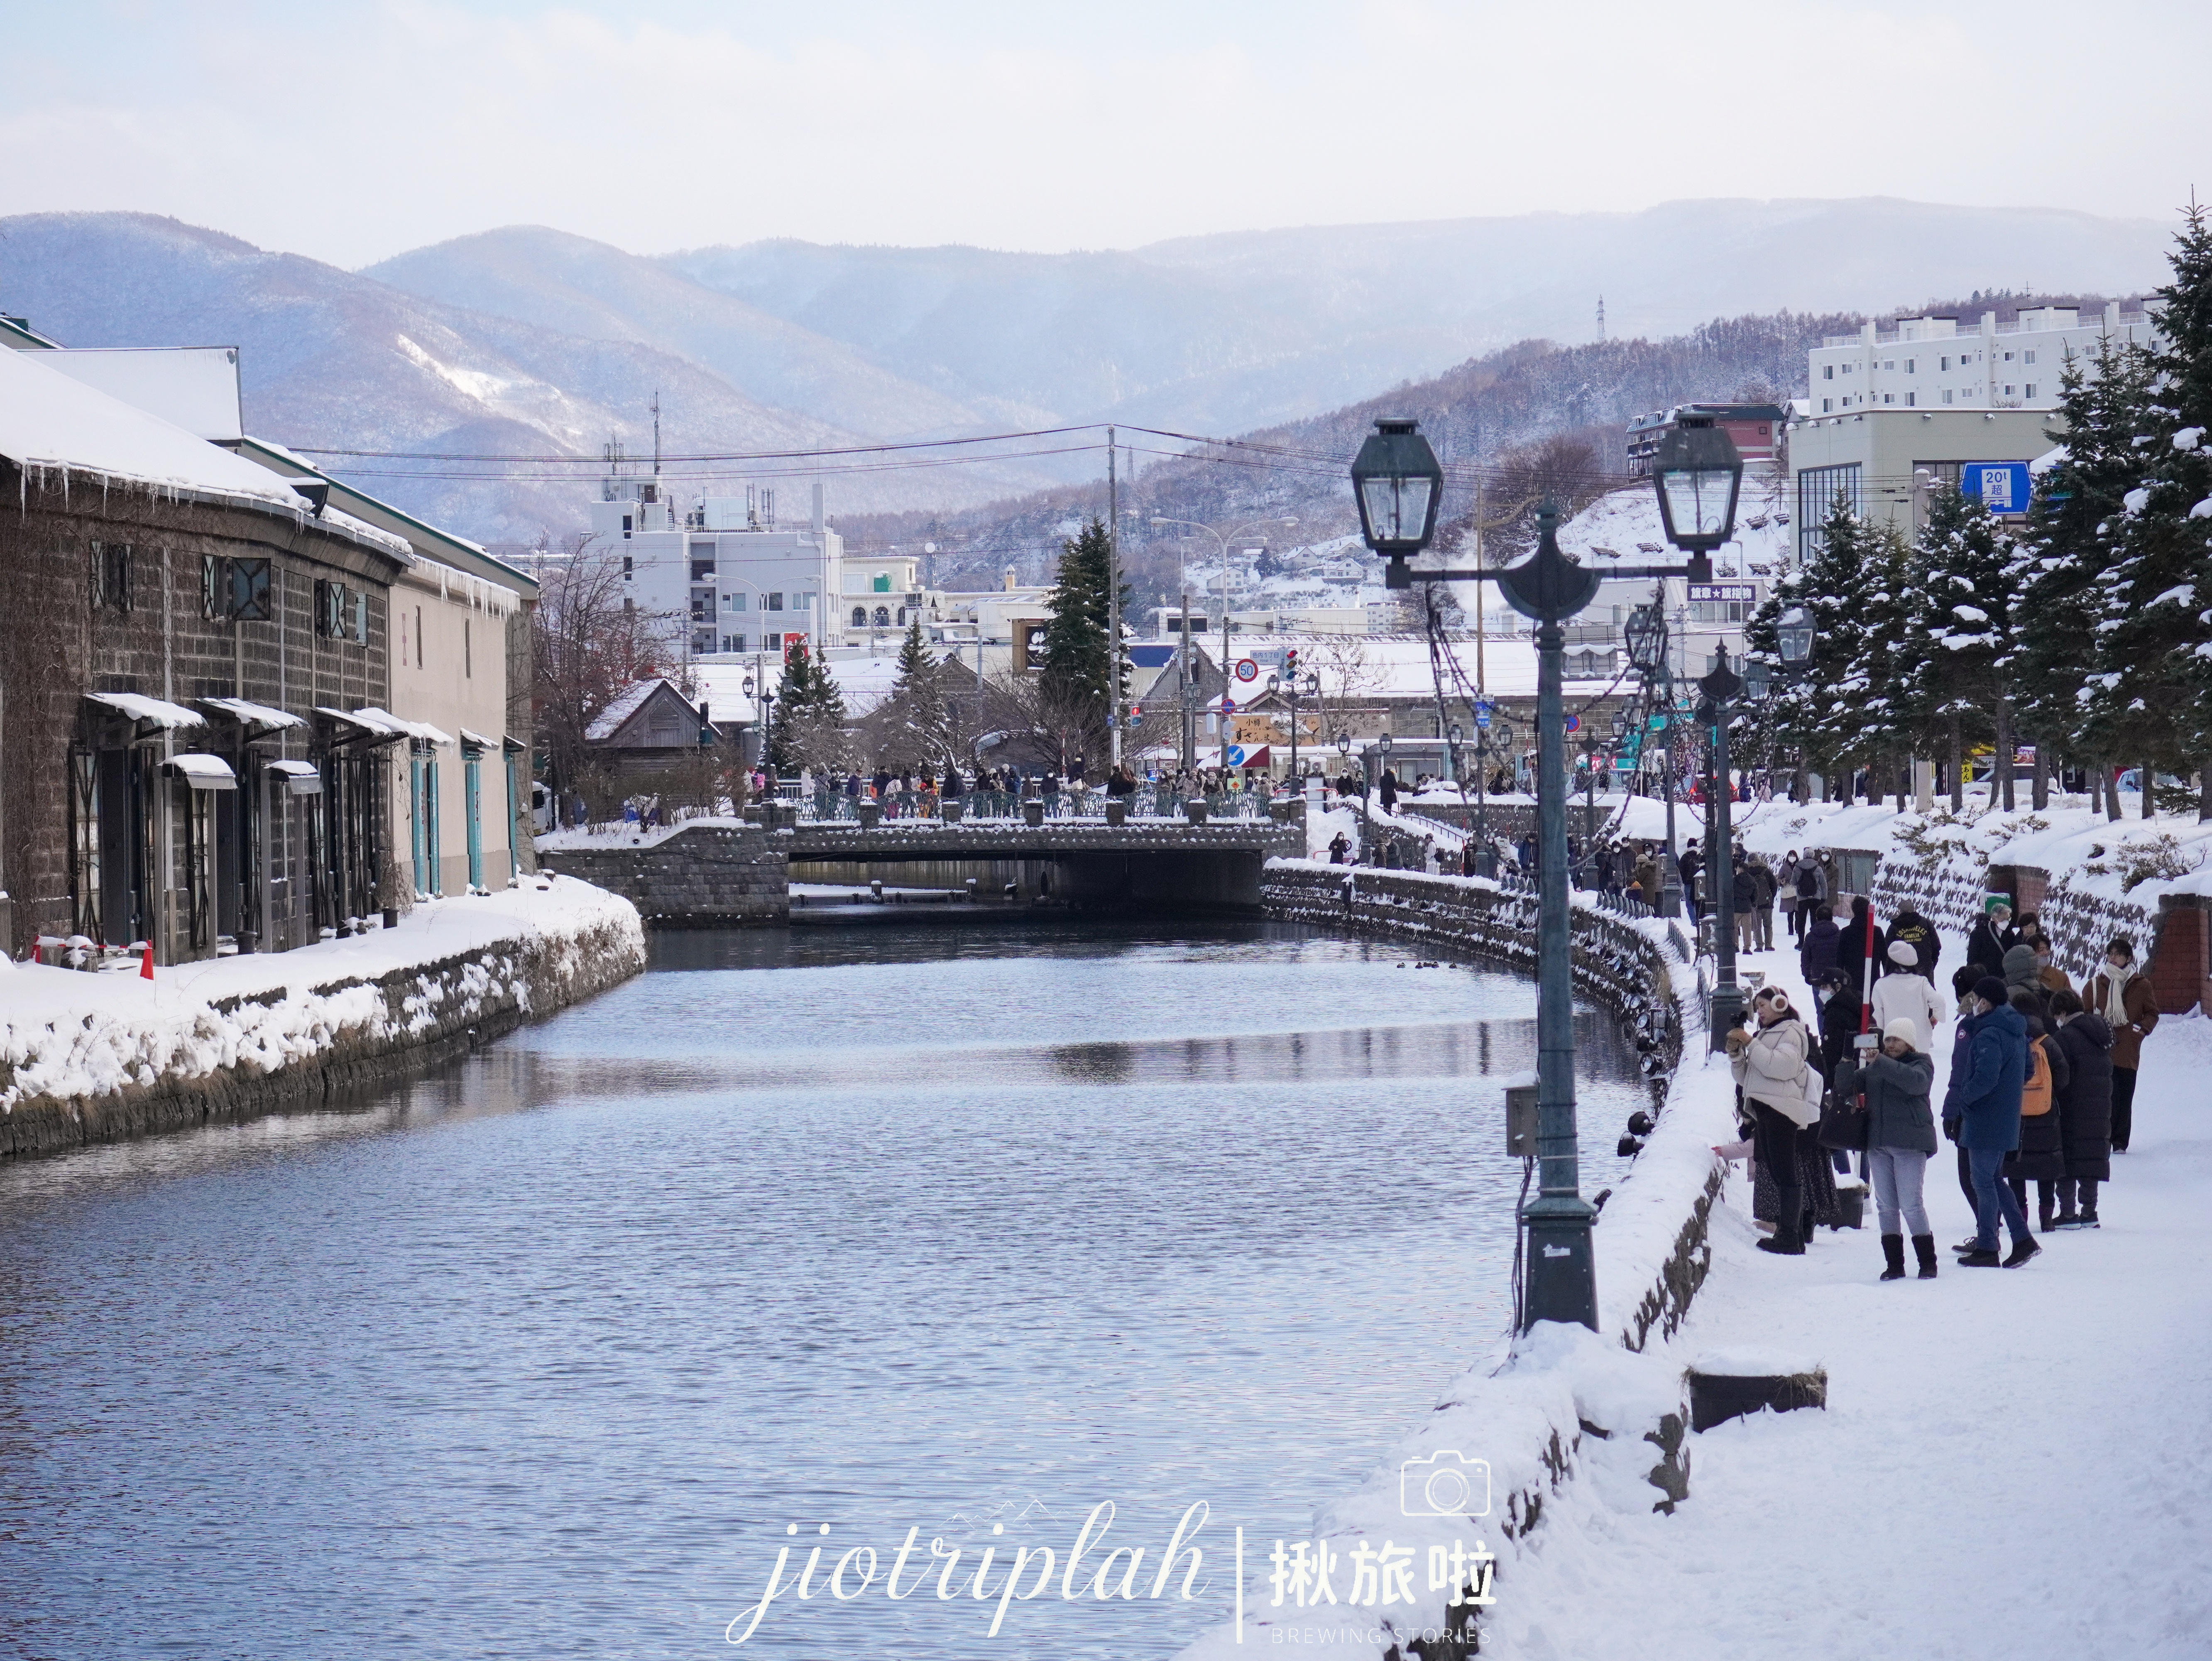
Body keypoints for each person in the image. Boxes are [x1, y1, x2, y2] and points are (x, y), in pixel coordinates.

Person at [1942, 975, 2039, 1268]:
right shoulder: (2016, 1031)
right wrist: (2008, 1096)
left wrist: (1966, 1100)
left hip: (1985, 1118)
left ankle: (1988, 1245)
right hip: (2006, 1117)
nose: (1973, 1005)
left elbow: (1985, 1077)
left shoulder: (1989, 1034)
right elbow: (2028, 1070)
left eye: (1976, 999)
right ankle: (2022, 1240)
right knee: (1993, 1179)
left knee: (1982, 1180)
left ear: (1985, 1001)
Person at [1833, 1016, 1940, 1280]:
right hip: (1879, 1145)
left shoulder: (1921, 1063)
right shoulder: (1874, 1069)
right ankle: (1895, 1265)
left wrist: (1880, 1061)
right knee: (1886, 1206)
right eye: (1888, 1039)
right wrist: (1847, 1058)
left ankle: (1928, 1263)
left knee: (1911, 1205)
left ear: (1910, 1043)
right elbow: (1845, 1087)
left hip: (1910, 1145)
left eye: (1897, 1040)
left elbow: (1916, 1083)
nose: (1891, 1044)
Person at [1730, 986, 1823, 1254]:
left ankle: (1791, 1236)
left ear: (1780, 1004)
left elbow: (1781, 1067)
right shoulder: (1764, 1035)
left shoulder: (1791, 1032)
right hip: (1767, 1109)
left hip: (1783, 1109)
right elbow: (1747, 1077)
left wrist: (1750, 1042)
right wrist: (1737, 1054)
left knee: (1785, 1170)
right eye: (1757, 1006)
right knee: (1775, 1168)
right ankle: (1789, 1233)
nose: (1759, 1010)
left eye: (1764, 1005)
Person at [2003, 989, 2070, 1233]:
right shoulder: (2048, 1042)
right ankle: (2047, 1218)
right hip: (2046, 1115)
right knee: (2046, 1168)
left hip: (2015, 1116)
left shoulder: (2010, 1039)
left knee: (2016, 1169)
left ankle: (2020, 1215)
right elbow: (2063, 1076)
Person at [2046, 987, 2114, 1228]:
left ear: (2063, 1012)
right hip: (2100, 1106)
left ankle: (2067, 1214)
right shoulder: (2100, 1034)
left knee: (2066, 1157)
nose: (2057, 1021)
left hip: (2071, 1107)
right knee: (2091, 1157)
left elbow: (2060, 1076)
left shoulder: (2064, 1039)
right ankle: (2090, 1212)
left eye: (2057, 1016)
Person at [2084, 937, 2157, 1154]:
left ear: (2129, 958)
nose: (2113, 958)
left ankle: (2120, 1142)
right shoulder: (2096, 984)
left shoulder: (2141, 985)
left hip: (2127, 1050)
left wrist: (2141, 1030)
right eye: (2110, 954)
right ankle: (2102, 1138)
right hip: (2102, 1049)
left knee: (2124, 1096)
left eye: (2118, 954)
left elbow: (2152, 1012)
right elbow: (2085, 1014)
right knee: (2104, 1096)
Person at [1871, 940, 1947, 1054]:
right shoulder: (1922, 983)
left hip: (1892, 1045)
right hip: (1919, 1043)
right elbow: (1939, 1002)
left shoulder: (1881, 985)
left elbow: (1877, 1018)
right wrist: (1935, 1017)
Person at [1880, 902, 1941, 985]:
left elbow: (1887, 952)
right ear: (1914, 910)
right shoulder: (1926, 924)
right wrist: (1930, 965)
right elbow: (1936, 947)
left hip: (1901, 976)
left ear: (1900, 912)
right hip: (1925, 974)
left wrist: (1891, 972)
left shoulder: (1894, 928)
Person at [1835, 895, 1877, 1006]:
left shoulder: (1846, 933)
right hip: (1874, 983)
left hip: (1852, 983)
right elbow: (1886, 959)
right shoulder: (1876, 932)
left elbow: (1840, 960)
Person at [1965, 896, 2016, 978]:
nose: (2006, 922)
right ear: (1994, 918)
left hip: (2004, 978)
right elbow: (1972, 959)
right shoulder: (1979, 933)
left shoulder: (2010, 935)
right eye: (2003, 920)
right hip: (1984, 977)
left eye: (2008, 919)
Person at [1798, 903, 1841, 987]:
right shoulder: (1840, 935)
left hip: (1817, 978)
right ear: (1832, 918)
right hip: (1837, 977)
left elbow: (1805, 958)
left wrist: (1807, 975)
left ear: (1817, 918)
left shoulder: (1810, 937)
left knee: (1819, 998)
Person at [1792, 853, 1828, 942]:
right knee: (1814, 920)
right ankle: (1814, 941)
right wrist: (1824, 897)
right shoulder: (1818, 868)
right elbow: (1823, 884)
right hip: (1815, 898)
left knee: (1802, 921)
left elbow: (1793, 882)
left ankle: (1801, 943)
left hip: (1802, 898)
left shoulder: (1797, 868)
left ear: (1804, 856)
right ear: (1813, 856)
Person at [1778, 851, 1802, 940]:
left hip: (1798, 891)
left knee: (1798, 912)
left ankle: (1798, 929)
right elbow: (1779, 879)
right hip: (1788, 891)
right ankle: (1790, 930)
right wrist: (1782, 881)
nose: (1792, 858)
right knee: (1790, 912)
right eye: (1790, 856)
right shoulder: (1784, 867)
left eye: (1794, 856)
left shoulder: (1800, 866)